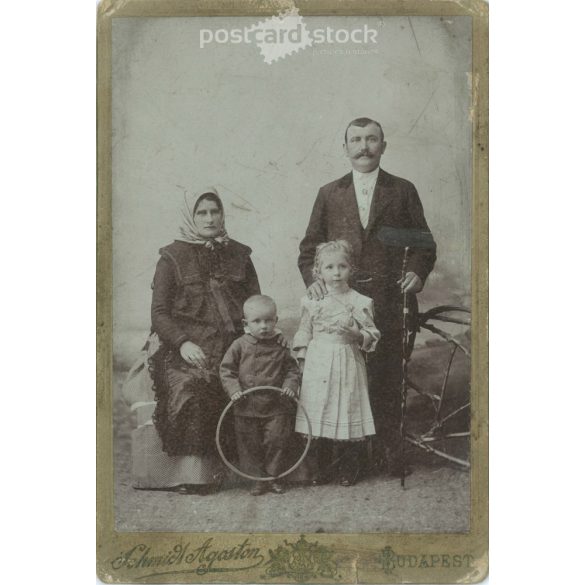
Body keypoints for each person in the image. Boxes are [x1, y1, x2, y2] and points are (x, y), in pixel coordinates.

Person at [297, 117, 436, 474]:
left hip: (390, 301)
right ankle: (348, 460)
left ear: (383, 146)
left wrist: (417, 273)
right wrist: (313, 281)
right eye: (356, 140)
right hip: (341, 303)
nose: (364, 146)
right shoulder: (329, 193)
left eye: (371, 139)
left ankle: (390, 454)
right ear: (345, 148)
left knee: (387, 377)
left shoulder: (402, 190)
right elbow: (309, 248)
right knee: (344, 379)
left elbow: (424, 243)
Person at [148, 187, 261, 495]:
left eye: (215, 211)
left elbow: (255, 305)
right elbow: (159, 313)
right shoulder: (171, 257)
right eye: (202, 212)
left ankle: (261, 468)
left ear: (223, 213)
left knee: (264, 379)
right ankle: (199, 474)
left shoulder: (240, 254)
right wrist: (183, 343)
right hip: (188, 350)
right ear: (190, 216)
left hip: (235, 347)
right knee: (194, 390)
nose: (210, 219)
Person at [293, 240, 380, 486]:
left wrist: (356, 334)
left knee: (346, 407)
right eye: (329, 267)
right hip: (318, 362)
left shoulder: (359, 301)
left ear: (351, 269)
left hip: (347, 360)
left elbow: (373, 335)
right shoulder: (311, 301)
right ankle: (320, 468)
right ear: (317, 272)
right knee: (320, 409)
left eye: (342, 266)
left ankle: (348, 467)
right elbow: (303, 331)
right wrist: (301, 359)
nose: (336, 272)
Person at [219, 295, 300, 496]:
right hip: (246, 406)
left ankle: (273, 477)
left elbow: (292, 369)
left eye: (268, 320)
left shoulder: (281, 345)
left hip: (276, 406)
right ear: (246, 323)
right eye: (257, 321)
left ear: (276, 320)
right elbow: (226, 370)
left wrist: (290, 385)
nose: (263, 326)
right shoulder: (239, 345)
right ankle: (256, 480)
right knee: (248, 446)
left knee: (277, 441)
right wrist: (234, 390)